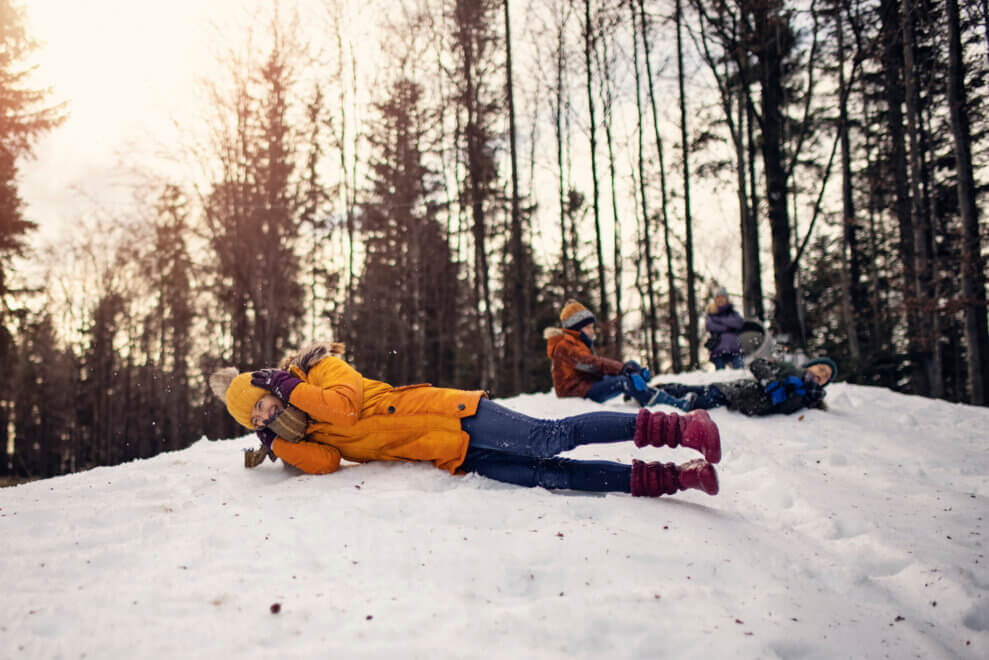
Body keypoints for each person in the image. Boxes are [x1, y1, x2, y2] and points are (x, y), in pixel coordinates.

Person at [210, 341, 723, 498]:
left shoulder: (321, 370)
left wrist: (289, 385)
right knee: (549, 475)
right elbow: (323, 464)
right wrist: (277, 443)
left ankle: (678, 428)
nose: (265, 410)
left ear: (270, 382)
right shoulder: (304, 430)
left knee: (550, 438)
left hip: (456, 415)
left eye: (260, 399)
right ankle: (676, 479)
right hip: (447, 452)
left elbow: (344, 405)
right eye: (254, 416)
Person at [543, 300, 689, 409]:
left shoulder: (576, 342)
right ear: (575, 328)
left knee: (628, 370)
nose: (592, 331)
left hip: (586, 384)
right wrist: (622, 369)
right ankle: (670, 405)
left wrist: (629, 368)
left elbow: (593, 368)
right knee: (623, 381)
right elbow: (590, 364)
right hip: (576, 391)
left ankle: (643, 396)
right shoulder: (564, 346)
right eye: (588, 328)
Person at [652, 357, 837, 417]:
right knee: (687, 390)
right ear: (812, 364)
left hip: (741, 403)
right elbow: (757, 363)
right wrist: (771, 382)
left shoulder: (810, 398)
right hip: (736, 390)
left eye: (825, 377)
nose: (821, 375)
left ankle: (654, 397)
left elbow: (785, 408)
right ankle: (654, 391)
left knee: (691, 403)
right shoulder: (790, 369)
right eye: (821, 369)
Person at [705, 288, 745, 370]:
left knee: (740, 372)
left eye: (722, 297)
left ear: (726, 299)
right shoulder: (711, 313)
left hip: (734, 348)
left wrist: (720, 321)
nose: (720, 300)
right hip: (718, 349)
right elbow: (710, 326)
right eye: (718, 297)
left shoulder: (733, 313)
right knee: (720, 375)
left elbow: (738, 323)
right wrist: (729, 327)